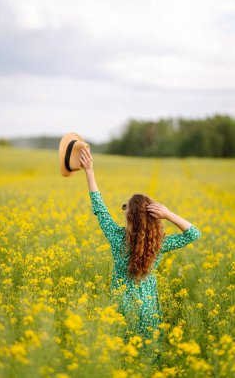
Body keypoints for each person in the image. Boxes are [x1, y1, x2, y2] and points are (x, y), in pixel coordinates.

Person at [79, 146, 201, 356]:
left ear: (129, 217)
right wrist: (169, 214)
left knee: (122, 357)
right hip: (148, 310)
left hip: (120, 309)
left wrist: (89, 171)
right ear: (154, 219)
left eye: (125, 207)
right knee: (148, 357)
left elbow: (99, 208)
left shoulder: (117, 237)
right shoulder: (158, 245)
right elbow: (194, 234)